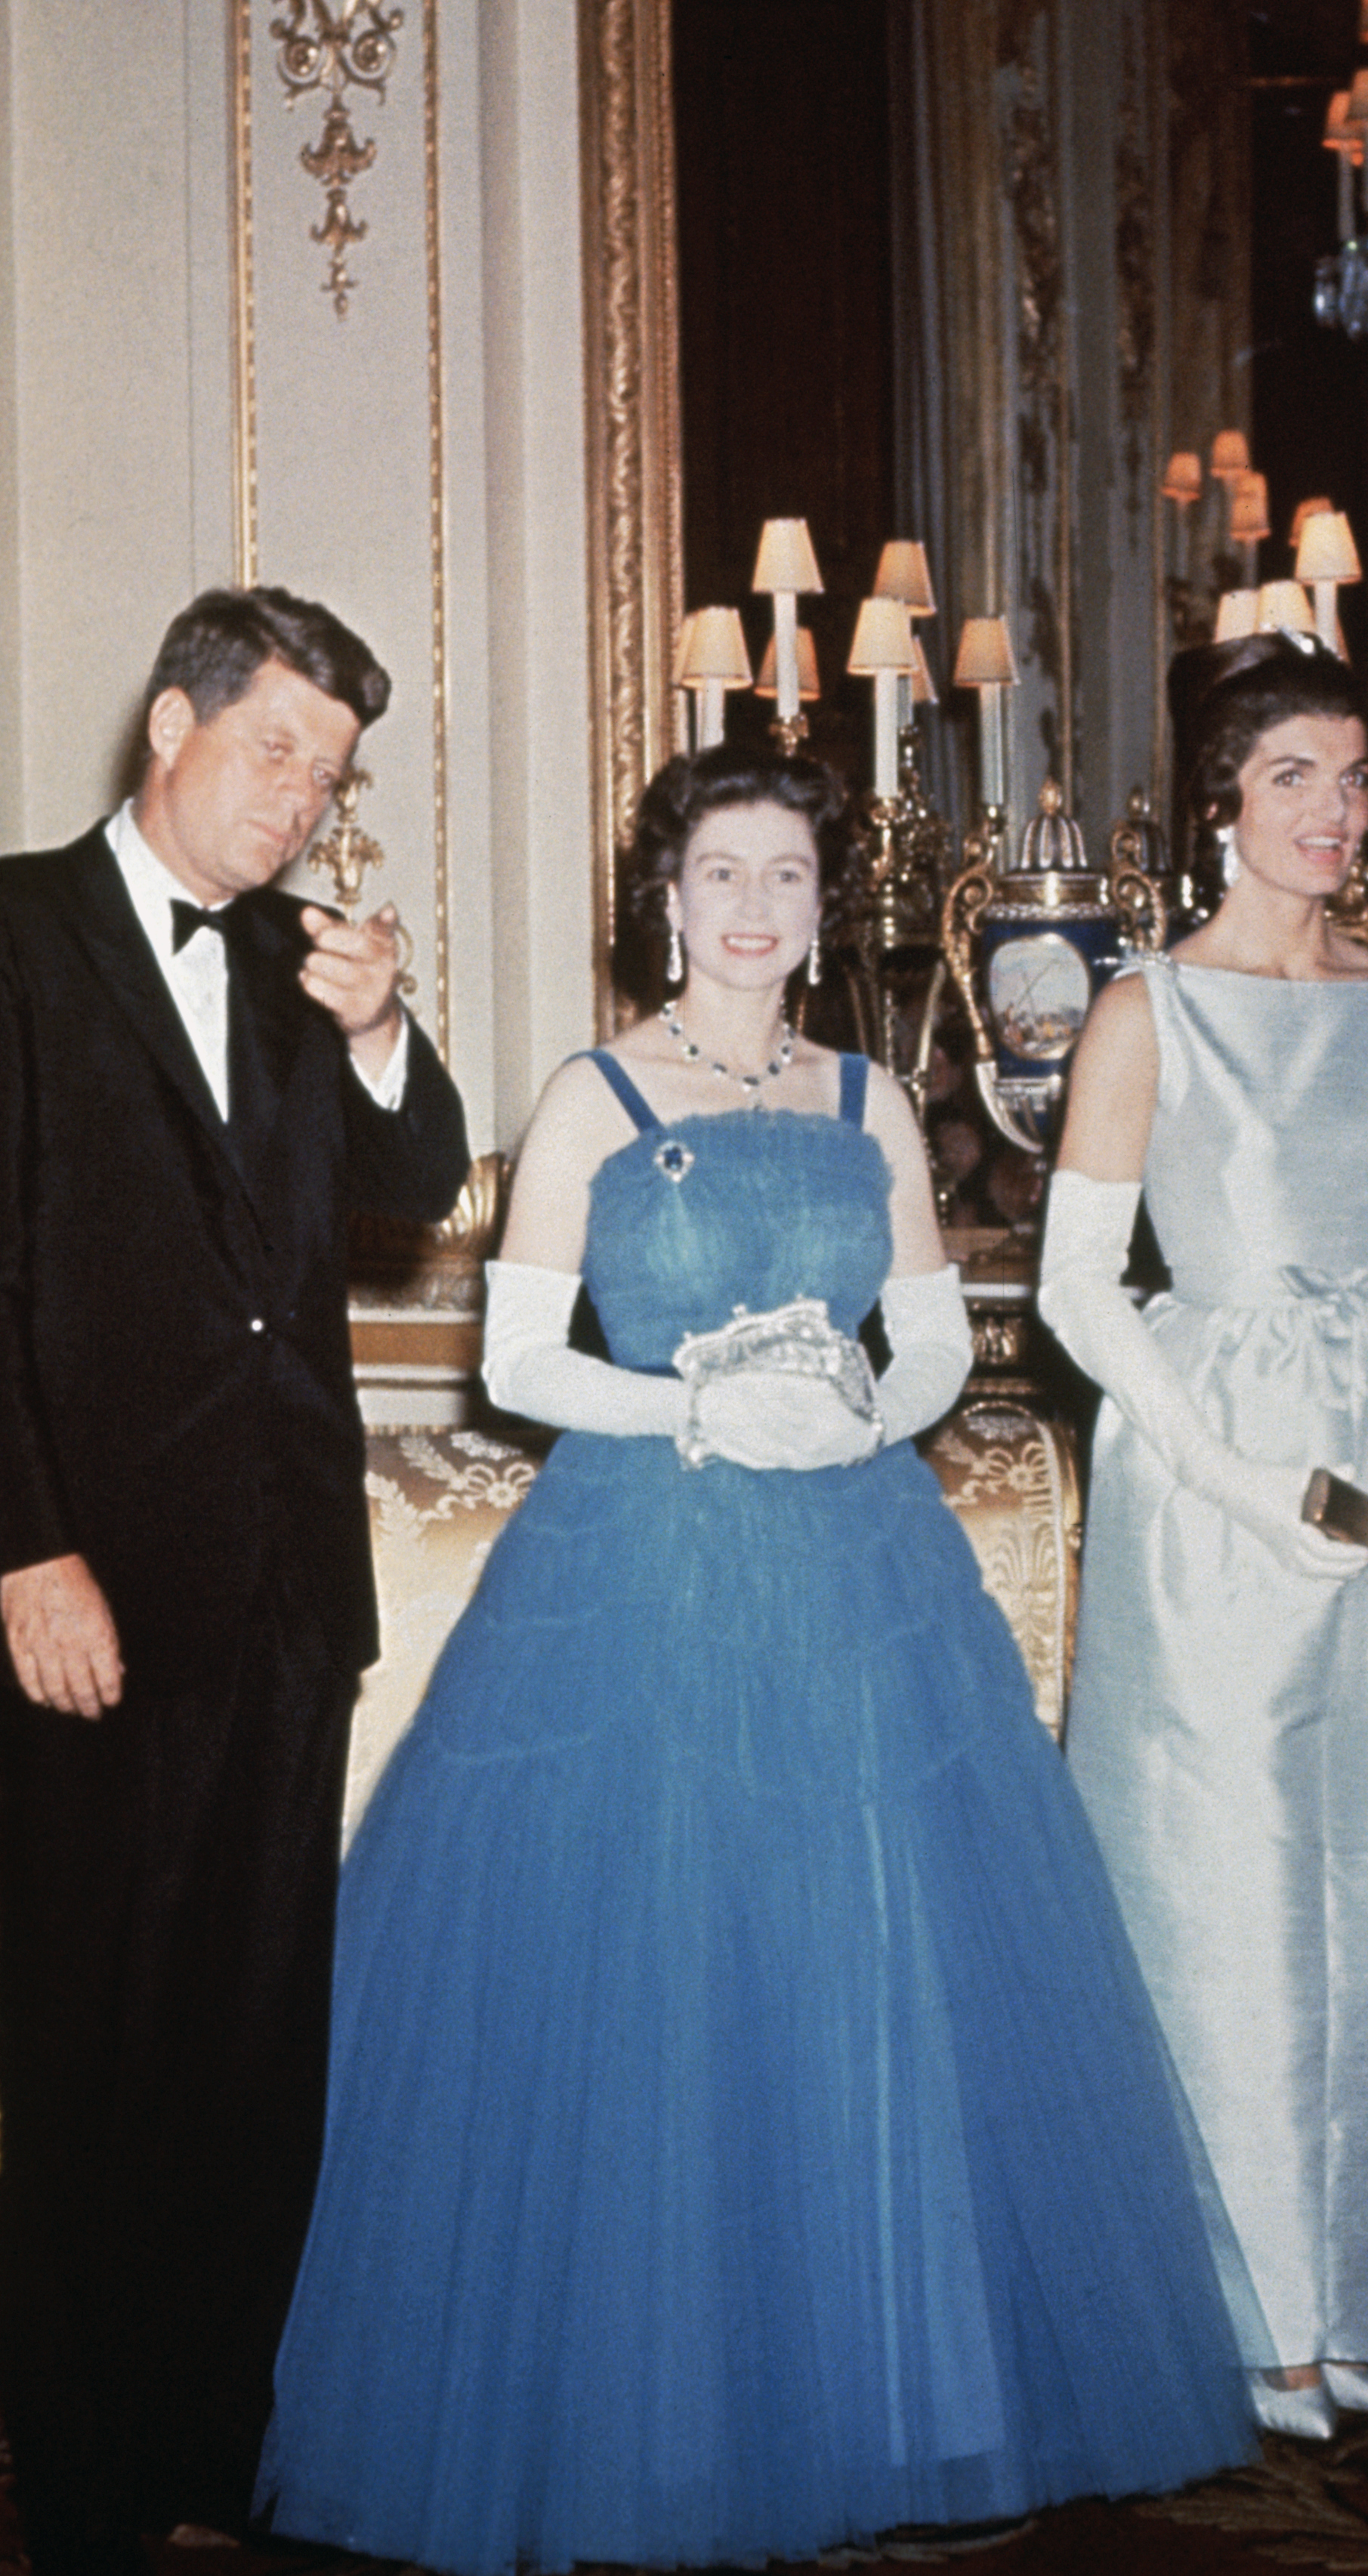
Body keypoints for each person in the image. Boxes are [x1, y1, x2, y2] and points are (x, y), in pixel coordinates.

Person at [255, 743, 1256, 2574]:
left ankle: (888, 2391)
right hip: (640, 1560)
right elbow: (521, 1365)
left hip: (852, 1565)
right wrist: (703, 1401)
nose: (751, 908)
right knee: (651, 1981)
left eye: (785, 876)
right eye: (721, 872)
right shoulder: (590, 1094)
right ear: (665, 896)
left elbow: (949, 1338)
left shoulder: (874, 1094)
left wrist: (864, 1411)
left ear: (818, 906)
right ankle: (647, 2412)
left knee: (862, 1960)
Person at [0, 586, 471, 2576]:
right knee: (90, 2053)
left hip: (292, 1591)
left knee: (254, 2052)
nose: (301, 802)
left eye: (332, 774)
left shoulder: (303, 965)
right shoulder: (13, 938)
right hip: (88, 1586)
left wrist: (380, 1034)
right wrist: (24, 1545)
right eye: (275, 749)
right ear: (170, 725)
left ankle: (214, 2438)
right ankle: (90, 2492)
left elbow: (409, 1193)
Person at [1040, 631, 1368, 2440]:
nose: (1333, 810)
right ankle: (1251, 2314)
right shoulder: (1146, 1006)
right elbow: (1082, 1289)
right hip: (1212, 1473)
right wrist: (1246, 1485)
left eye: (1353, 773)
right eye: (1290, 777)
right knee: (1226, 1889)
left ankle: (1367, 2290)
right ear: (1222, 807)